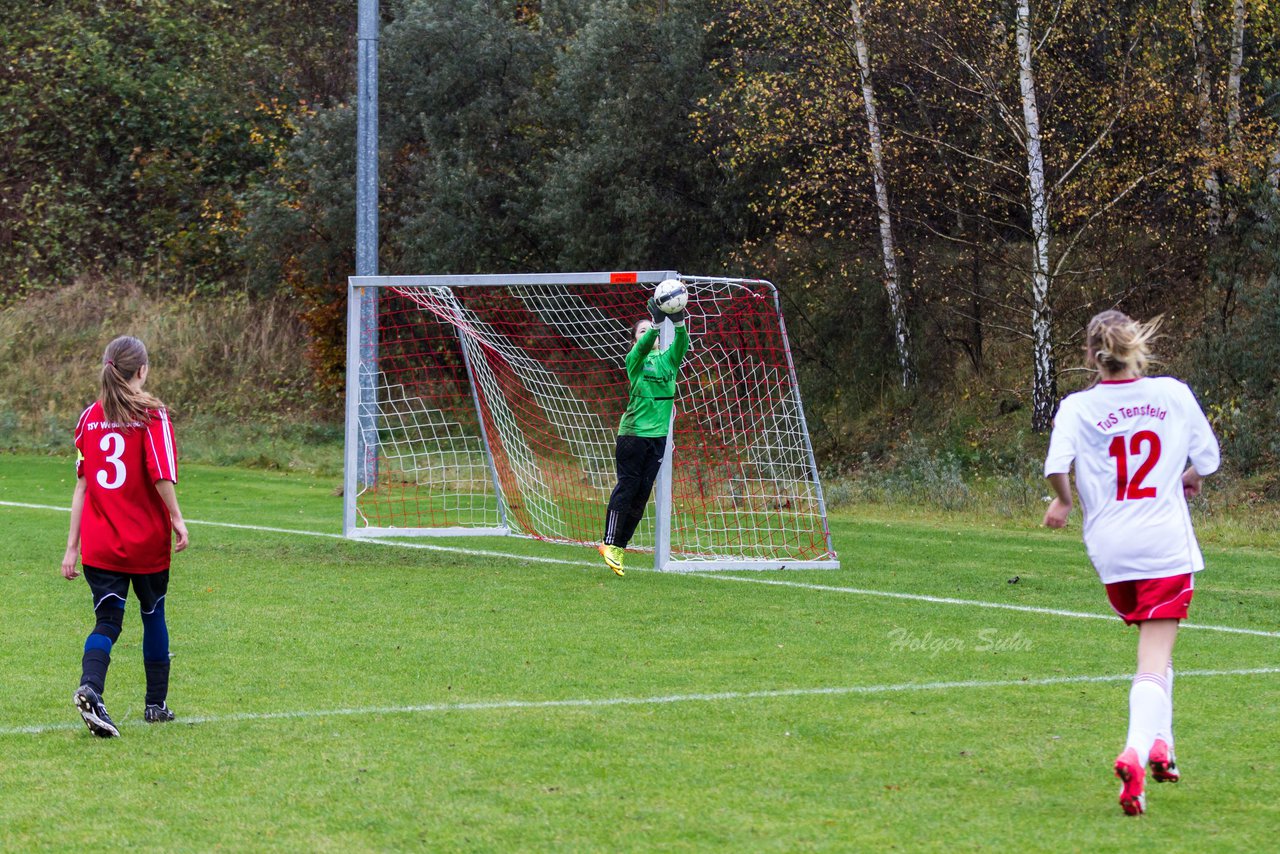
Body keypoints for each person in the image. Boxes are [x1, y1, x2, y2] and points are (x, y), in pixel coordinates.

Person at [1042, 310, 1219, 816]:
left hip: (1111, 550)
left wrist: (1064, 502)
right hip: (1163, 544)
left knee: (1157, 652)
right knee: (1152, 659)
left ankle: (1165, 747)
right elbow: (1208, 459)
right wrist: (1191, 476)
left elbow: (1056, 467)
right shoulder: (1172, 393)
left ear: (1091, 354)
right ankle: (1136, 752)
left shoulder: (1078, 406)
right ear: (1136, 346)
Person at [61, 335, 189, 737]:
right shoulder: (154, 415)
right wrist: (177, 518)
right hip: (146, 540)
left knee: (108, 620)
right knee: (153, 614)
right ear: (143, 370)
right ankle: (156, 705)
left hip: (100, 545)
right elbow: (162, 473)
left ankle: (91, 688)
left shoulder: (88, 418)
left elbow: (82, 486)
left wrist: (71, 548)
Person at [597, 298, 689, 576]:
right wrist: (657, 323)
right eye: (642, 330)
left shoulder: (669, 360)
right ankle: (609, 543)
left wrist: (680, 320)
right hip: (633, 434)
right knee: (628, 486)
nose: (650, 334)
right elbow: (644, 344)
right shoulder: (635, 360)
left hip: (658, 438)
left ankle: (619, 548)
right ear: (634, 340)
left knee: (642, 494)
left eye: (651, 330)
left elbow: (681, 344)